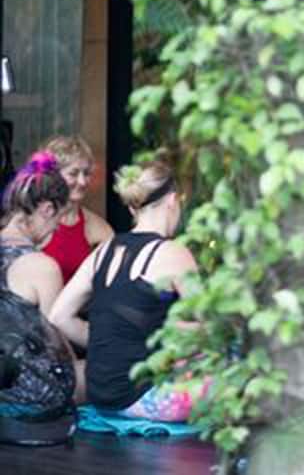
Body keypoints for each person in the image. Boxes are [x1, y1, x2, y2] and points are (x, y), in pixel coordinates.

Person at [50, 160, 199, 421]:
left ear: (133, 208)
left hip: (100, 394)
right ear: (172, 200)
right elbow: (209, 328)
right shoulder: (174, 252)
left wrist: (113, 341)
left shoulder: (104, 250)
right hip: (149, 398)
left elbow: (58, 316)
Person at [0, 153, 78, 443]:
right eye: (58, 219)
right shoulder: (41, 266)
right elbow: (57, 346)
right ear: (46, 209)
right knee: (112, 375)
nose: (57, 229)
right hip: (27, 394)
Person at [41, 135, 114, 283]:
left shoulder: (99, 228)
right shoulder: (32, 221)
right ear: (53, 175)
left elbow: (111, 280)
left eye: (86, 173)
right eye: (73, 174)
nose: (82, 182)